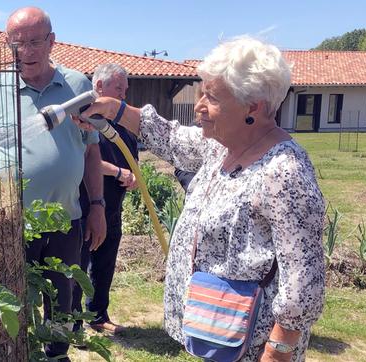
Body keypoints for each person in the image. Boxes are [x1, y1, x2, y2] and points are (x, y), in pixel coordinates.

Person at [80, 36, 325, 362]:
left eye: (211, 97)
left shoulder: (284, 171)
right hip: (218, 330)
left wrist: (278, 351)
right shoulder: (222, 146)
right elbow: (170, 137)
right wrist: (114, 109)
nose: (198, 106)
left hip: (252, 345)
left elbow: (303, 281)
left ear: (252, 106)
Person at [0, 7, 106, 360]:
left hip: (65, 220)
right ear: (7, 44)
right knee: (10, 301)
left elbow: (92, 153)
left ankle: (57, 354)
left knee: (62, 299)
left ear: (51, 42)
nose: (26, 51)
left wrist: (97, 206)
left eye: (35, 42)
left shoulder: (77, 86)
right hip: (9, 223)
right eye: (17, 43)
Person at [73, 63, 137, 335]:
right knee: (79, 263)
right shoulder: (85, 118)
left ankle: (98, 315)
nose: (123, 94)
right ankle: (73, 322)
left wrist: (132, 176)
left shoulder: (122, 124)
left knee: (105, 262)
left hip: (114, 203)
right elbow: (85, 160)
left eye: (125, 89)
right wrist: (119, 171)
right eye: (118, 88)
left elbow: (131, 158)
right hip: (89, 203)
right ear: (99, 87)